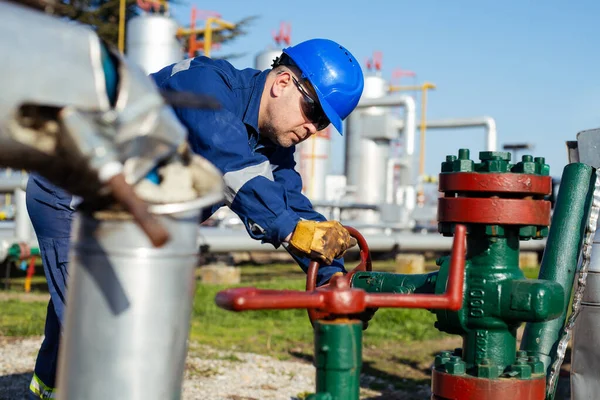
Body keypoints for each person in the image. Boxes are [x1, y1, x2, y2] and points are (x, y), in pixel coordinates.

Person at [26, 38, 364, 399]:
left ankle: (45, 388)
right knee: (100, 324)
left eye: (324, 123)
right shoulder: (205, 85)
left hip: (132, 219)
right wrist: (292, 229)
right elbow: (232, 166)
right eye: (313, 112)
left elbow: (291, 204)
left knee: (77, 310)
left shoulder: (272, 144)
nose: (313, 129)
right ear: (283, 83)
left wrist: (336, 279)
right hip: (73, 197)